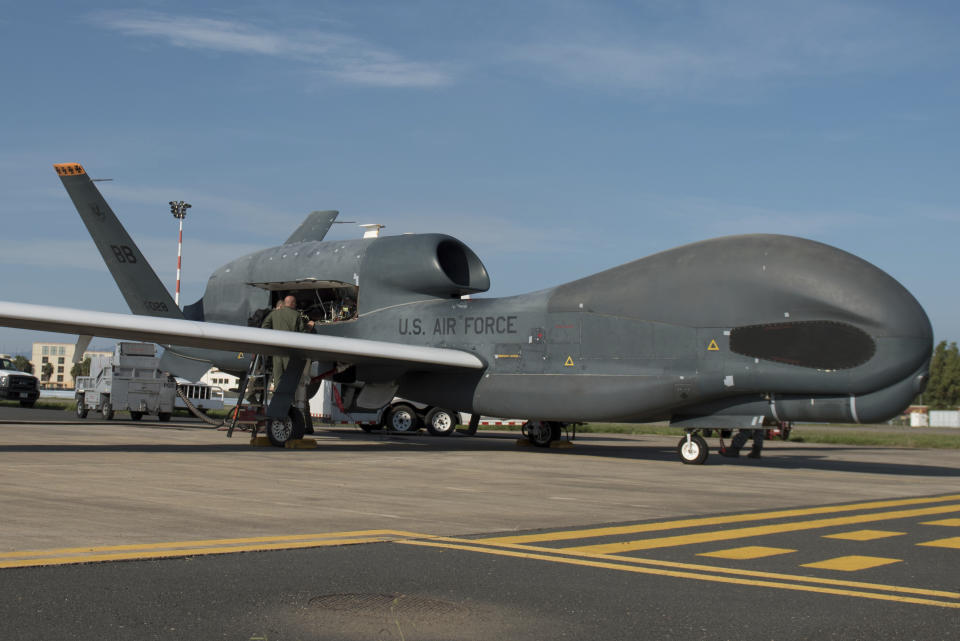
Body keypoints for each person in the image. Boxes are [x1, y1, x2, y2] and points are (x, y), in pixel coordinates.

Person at [261, 295, 314, 388]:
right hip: (290, 351)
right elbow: (302, 332)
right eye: (295, 303)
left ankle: (277, 397)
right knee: (290, 376)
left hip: (276, 349)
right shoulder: (296, 315)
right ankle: (289, 399)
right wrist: (309, 327)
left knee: (278, 377)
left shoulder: (274, 313)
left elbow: (264, 326)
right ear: (292, 303)